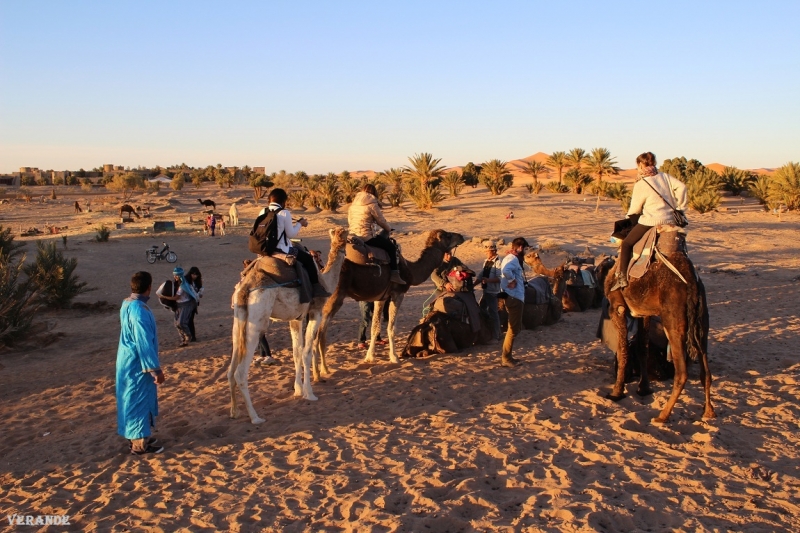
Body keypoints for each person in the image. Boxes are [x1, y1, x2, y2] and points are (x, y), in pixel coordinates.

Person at [610, 152, 688, 291]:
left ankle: (622, 278)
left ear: (640, 164)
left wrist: (630, 216)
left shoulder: (642, 183)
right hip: (670, 221)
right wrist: (680, 207)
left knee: (627, 244)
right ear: (654, 163)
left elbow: (634, 209)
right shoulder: (665, 176)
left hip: (650, 221)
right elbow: (682, 187)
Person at [116, 271, 165, 455]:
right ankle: (139, 444)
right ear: (149, 287)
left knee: (132, 398)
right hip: (137, 364)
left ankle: (139, 436)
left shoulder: (128, 304)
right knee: (138, 400)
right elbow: (143, 342)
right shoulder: (138, 311)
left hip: (127, 361)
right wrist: (155, 370)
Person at [259, 188, 329, 298]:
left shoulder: (263, 211)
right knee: (308, 260)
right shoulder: (284, 212)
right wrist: (300, 224)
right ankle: (316, 288)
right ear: (283, 201)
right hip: (283, 250)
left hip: (264, 250)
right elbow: (291, 234)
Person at [347, 184, 406, 285]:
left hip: (353, 235)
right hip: (366, 236)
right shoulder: (372, 204)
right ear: (374, 192)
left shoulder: (353, 204)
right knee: (391, 247)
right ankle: (394, 274)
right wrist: (388, 228)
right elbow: (381, 221)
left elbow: (350, 220)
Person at [499, 237, 529, 368]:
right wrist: (512, 280)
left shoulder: (510, 258)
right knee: (513, 329)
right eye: (525, 249)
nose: (526, 252)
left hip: (513, 296)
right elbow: (506, 271)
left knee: (514, 328)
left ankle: (508, 356)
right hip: (514, 297)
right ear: (521, 247)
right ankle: (506, 357)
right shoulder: (513, 259)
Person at [158, 266, 199, 347]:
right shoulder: (177, 284)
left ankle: (188, 335)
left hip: (186, 305)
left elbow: (176, 297)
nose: (174, 277)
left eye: (176, 276)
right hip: (179, 305)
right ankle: (183, 339)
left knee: (181, 322)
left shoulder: (183, 285)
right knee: (176, 324)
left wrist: (164, 297)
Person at [476, 242, 503, 341]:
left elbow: (500, 278)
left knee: (493, 313)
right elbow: (481, 275)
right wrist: (473, 285)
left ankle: (496, 335)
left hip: (493, 292)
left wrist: (488, 280)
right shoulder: (486, 261)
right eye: (486, 251)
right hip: (486, 291)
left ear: (493, 251)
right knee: (481, 309)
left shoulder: (498, 262)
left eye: (488, 251)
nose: (486, 253)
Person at [186, 266, 204, 342]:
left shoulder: (197, 282)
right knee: (186, 320)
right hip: (186, 303)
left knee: (190, 320)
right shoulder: (187, 282)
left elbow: (200, 294)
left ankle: (192, 336)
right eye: (193, 274)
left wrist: (200, 293)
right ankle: (188, 335)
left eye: (196, 275)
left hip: (193, 304)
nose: (194, 276)